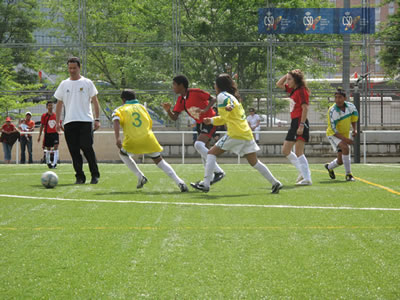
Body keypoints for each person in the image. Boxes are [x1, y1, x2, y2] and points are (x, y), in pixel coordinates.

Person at [191, 73, 282, 194]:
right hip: (246, 134)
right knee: (254, 162)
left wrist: (229, 106)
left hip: (235, 133)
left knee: (211, 153)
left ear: (218, 85)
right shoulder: (232, 96)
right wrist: (211, 120)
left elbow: (229, 104)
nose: (214, 85)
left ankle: (206, 184)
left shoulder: (223, 96)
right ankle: (275, 183)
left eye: (215, 83)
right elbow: (225, 118)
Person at [113, 89, 188, 192]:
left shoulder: (120, 109)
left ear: (123, 99)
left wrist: (117, 138)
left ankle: (140, 176)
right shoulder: (143, 108)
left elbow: (116, 120)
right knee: (159, 160)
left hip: (132, 140)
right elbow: (149, 122)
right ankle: (180, 182)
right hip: (148, 138)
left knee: (123, 154)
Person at [162, 75, 225, 185]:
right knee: (204, 150)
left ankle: (219, 171)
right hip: (200, 124)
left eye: (174, 84)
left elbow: (213, 99)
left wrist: (205, 109)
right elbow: (174, 117)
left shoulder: (195, 92)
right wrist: (168, 111)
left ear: (181, 85)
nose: (173, 87)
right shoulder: (181, 100)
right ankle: (208, 179)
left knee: (198, 145)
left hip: (209, 121)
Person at [54, 57, 101, 184]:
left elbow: (95, 101)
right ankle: (80, 177)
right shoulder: (64, 84)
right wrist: (58, 122)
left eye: (74, 68)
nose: (72, 70)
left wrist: (97, 119)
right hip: (69, 122)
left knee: (87, 147)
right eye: (70, 68)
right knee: (74, 151)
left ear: (79, 68)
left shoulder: (87, 83)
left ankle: (95, 175)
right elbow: (59, 104)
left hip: (85, 121)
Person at [276, 69, 312, 186]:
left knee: (298, 151)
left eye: (290, 79)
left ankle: (307, 178)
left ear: (296, 80)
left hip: (300, 122)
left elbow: (305, 108)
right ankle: (303, 172)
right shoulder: (293, 89)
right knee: (286, 150)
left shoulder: (302, 91)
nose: (287, 81)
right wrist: (287, 74)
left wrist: (301, 125)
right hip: (294, 123)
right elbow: (278, 84)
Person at [325, 88, 359, 181]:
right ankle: (349, 174)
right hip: (333, 135)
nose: (337, 100)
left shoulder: (351, 107)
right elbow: (333, 130)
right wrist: (345, 139)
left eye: (340, 97)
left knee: (340, 161)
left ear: (345, 98)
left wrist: (354, 129)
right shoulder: (332, 111)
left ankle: (329, 167)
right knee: (345, 147)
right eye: (335, 97)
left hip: (344, 134)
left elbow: (354, 118)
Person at [38, 101, 60, 169]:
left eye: (51, 105)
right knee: (48, 148)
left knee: (56, 147)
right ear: (47, 107)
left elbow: (58, 124)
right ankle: (49, 163)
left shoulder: (56, 115)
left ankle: (55, 163)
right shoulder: (44, 116)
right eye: (49, 105)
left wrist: (61, 130)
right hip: (48, 134)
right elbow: (42, 125)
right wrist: (39, 135)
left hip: (55, 133)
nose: (50, 107)